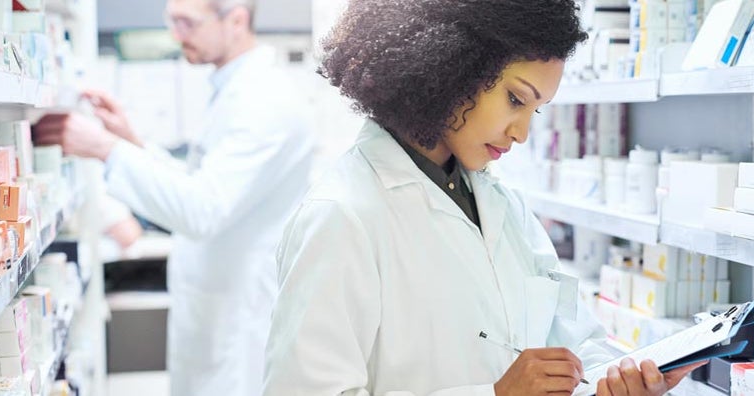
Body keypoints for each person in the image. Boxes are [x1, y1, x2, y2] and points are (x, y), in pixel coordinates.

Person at [263, 0, 703, 395]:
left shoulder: (501, 204)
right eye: (515, 99)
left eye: (536, 110)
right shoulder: (342, 216)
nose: (522, 133)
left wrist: (616, 380)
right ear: (449, 67)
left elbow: (570, 344)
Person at [32, 0, 314, 394]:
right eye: (172, 21)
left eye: (188, 23)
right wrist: (131, 141)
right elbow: (200, 180)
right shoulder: (236, 89)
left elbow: (202, 208)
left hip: (242, 317)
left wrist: (106, 148)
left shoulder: (266, 101)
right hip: (218, 306)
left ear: (236, 20)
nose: (176, 35)